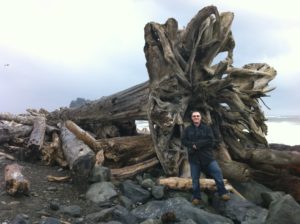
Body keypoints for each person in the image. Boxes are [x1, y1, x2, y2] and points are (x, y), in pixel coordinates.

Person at [181, 111, 230, 205]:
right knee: (195, 179)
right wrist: (192, 145)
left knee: (218, 174)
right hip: (194, 158)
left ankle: (223, 193)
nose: (196, 117)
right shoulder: (188, 129)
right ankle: (196, 197)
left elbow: (210, 140)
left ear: (200, 117)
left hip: (207, 157)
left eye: (197, 116)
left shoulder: (207, 128)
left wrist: (198, 145)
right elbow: (184, 141)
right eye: (194, 116)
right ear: (192, 118)